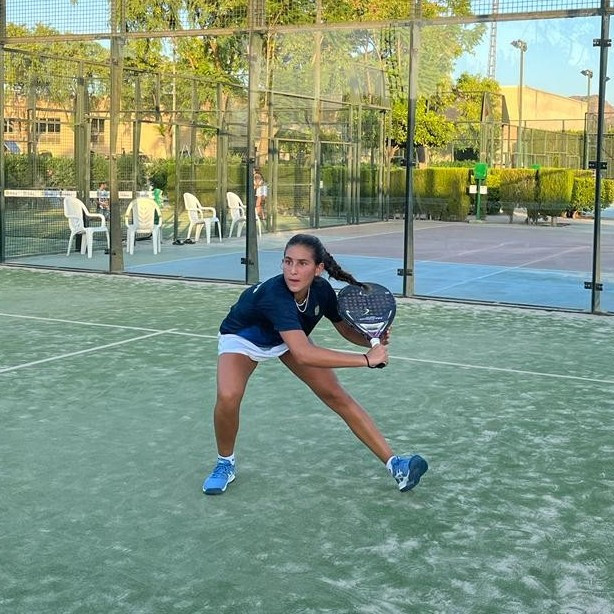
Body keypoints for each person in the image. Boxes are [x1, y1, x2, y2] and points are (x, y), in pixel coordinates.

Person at [202, 233, 428, 495]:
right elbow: (304, 354)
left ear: (318, 269)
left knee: (336, 394)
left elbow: (345, 329)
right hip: (243, 338)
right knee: (229, 396)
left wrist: (371, 340)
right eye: (288, 262)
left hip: (288, 337)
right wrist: (367, 359)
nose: (293, 271)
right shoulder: (275, 294)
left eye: (302, 263)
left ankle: (396, 465)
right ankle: (225, 463)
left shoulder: (322, 291)